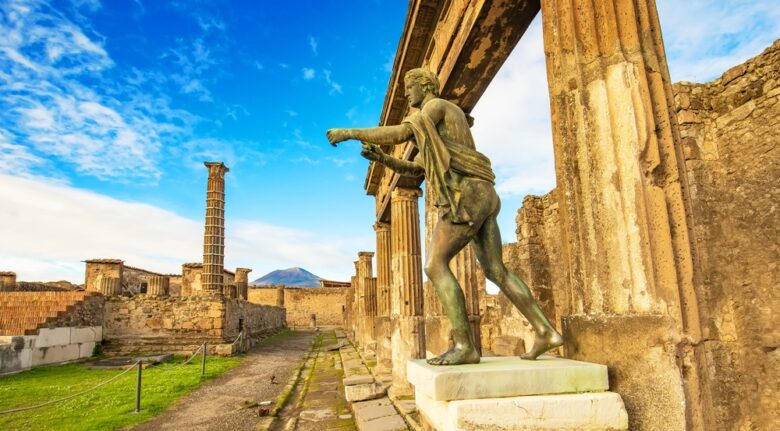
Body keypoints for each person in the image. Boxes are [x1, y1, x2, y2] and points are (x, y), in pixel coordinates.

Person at [326, 68, 562, 365]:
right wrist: (383, 159)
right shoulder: (444, 130)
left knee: (435, 264)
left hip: (467, 195)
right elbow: (417, 169)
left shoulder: (435, 107)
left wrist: (349, 133)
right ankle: (546, 330)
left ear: (425, 86)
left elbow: (400, 133)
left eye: (409, 86)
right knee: (496, 271)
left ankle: (465, 345)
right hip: (486, 195)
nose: (406, 93)